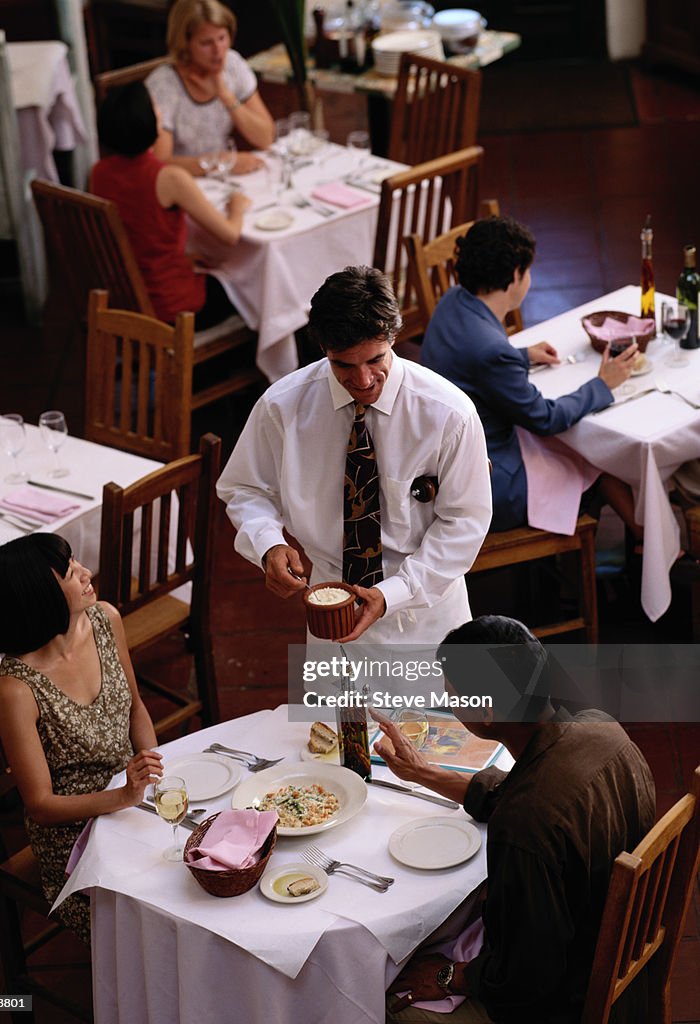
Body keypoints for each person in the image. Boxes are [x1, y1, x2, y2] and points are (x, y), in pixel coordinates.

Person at [375, 615, 656, 1024]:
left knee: (384, 1000)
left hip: (566, 999)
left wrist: (450, 976)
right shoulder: (601, 729)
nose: (446, 698)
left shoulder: (523, 826)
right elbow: (520, 792)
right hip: (622, 952)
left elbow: (526, 978)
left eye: (452, 693)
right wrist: (422, 773)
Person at [216, 265, 493, 647]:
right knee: (332, 709)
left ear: (393, 337)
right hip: (330, 601)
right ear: (323, 350)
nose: (363, 381)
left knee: (433, 709)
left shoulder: (449, 414)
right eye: (344, 365)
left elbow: (465, 521)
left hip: (425, 612)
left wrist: (393, 593)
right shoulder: (282, 407)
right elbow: (245, 487)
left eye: (376, 360)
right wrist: (267, 544)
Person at [0, 534, 163, 944]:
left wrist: (152, 772)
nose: (86, 573)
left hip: (130, 802)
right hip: (73, 840)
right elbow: (41, 806)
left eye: (77, 561)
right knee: (158, 914)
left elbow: (135, 707)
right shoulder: (16, 688)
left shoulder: (104, 619)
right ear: (40, 596)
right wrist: (125, 797)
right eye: (70, 572)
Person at [421, 216, 643, 540]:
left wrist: (522, 355)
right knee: (596, 455)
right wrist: (602, 384)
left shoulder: (452, 300)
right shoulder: (492, 351)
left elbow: (472, 360)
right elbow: (545, 418)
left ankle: (639, 539)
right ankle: (620, 547)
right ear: (515, 276)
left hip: (445, 461)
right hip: (489, 481)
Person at [90, 79, 250, 328]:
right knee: (247, 285)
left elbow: (136, 231)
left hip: (123, 297)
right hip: (170, 308)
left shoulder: (98, 173)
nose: (159, 112)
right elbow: (230, 235)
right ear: (147, 121)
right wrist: (237, 207)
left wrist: (182, 258)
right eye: (155, 108)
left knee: (217, 270)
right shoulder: (168, 177)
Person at [146, 0, 274, 177]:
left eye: (222, 38)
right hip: (181, 185)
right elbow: (160, 161)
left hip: (220, 179)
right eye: (206, 43)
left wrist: (225, 95)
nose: (218, 50)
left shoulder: (233, 64)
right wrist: (221, 163)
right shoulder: (164, 85)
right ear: (185, 44)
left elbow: (265, 138)